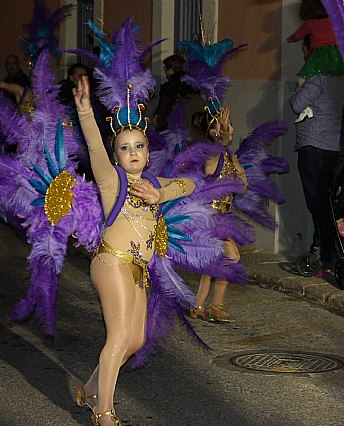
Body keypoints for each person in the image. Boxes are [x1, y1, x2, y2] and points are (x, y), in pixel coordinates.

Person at [73, 75, 195, 425]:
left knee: (136, 341)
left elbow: (192, 183)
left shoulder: (155, 183)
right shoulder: (112, 181)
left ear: (148, 151)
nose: (132, 153)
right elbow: (95, 147)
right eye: (124, 148)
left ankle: (90, 389)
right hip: (111, 261)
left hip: (139, 269)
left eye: (139, 146)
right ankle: (103, 411)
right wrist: (84, 113)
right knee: (119, 336)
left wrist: (163, 194)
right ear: (116, 154)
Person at [189, 106, 247, 322]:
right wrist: (222, 133)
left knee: (214, 261)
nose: (230, 130)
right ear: (213, 132)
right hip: (209, 217)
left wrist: (239, 170)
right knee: (231, 256)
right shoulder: (212, 154)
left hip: (223, 217)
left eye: (230, 126)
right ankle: (216, 306)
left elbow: (241, 188)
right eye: (225, 127)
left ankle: (199, 304)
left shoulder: (229, 157)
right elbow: (221, 141)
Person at [289, 70, 344, 276]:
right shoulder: (339, 77)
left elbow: (296, 104)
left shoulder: (318, 78)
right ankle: (325, 251)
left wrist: (299, 85)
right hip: (333, 146)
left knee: (318, 204)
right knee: (329, 203)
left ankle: (324, 253)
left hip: (314, 145)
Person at [287, 0, 344, 87]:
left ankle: (307, 93)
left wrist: (291, 39)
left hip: (321, 53)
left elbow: (299, 35)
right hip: (339, 52)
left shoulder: (310, 23)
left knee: (303, 78)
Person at [151, 54, 196, 131]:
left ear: (171, 70)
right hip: (188, 129)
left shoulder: (168, 87)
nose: (164, 70)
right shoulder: (193, 86)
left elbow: (163, 109)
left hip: (169, 130)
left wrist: (157, 119)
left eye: (165, 68)